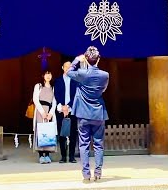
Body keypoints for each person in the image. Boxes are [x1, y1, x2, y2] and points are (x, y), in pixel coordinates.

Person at [66, 45, 110, 183]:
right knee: (98, 144)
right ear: (98, 59)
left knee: (83, 144)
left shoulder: (82, 73)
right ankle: (98, 171)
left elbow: (68, 72)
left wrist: (77, 60)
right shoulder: (105, 75)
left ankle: (86, 174)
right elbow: (104, 89)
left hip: (83, 113)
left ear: (86, 58)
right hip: (98, 113)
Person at [54, 60, 80, 164]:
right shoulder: (58, 80)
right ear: (62, 68)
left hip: (72, 109)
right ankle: (63, 156)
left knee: (73, 133)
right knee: (62, 134)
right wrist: (63, 106)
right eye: (66, 66)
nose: (68, 68)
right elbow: (57, 94)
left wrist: (68, 106)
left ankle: (72, 156)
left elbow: (76, 95)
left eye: (70, 67)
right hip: (61, 109)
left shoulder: (75, 80)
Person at [32, 70, 57, 164]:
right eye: (46, 74)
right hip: (40, 112)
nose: (48, 76)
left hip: (49, 111)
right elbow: (35, 100)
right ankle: (41, 155)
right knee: (41, 132)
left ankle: (47, 155)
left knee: (48, 133)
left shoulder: (53, 87)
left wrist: (50, 113)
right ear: (43, 75)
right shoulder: (38, 86)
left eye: (50, 74)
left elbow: (54, 101)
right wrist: (42, 112)